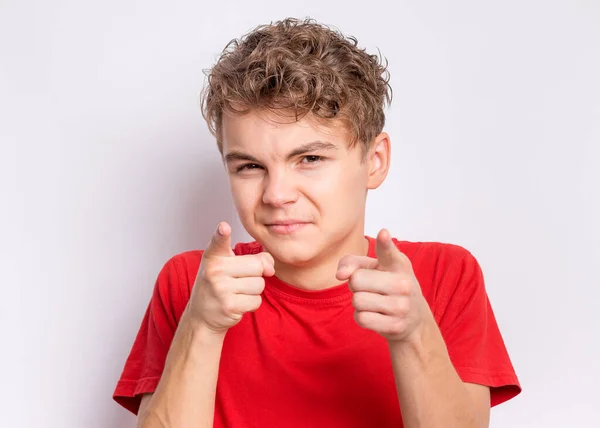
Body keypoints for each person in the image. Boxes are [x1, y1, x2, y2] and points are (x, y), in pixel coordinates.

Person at [113, 17, 521, 428]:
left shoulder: (444, 278)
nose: (276, 194)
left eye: (309, 159)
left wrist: (413, 333)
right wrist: (201, 327)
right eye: (250, 166)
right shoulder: (190, 283)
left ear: (374, 162)